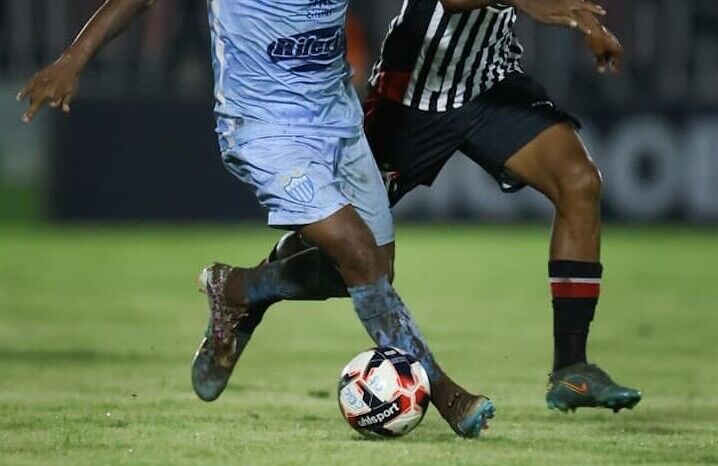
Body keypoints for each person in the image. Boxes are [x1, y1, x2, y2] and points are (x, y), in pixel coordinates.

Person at [18, 0, 497, 438]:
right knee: (358, 254)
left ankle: (241, 289)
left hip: (337, 114)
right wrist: (73, 59)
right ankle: (445, 393)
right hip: (265, 126)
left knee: (372, 269)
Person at [220, 0, 642, 414]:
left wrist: (590, 24)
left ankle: (572, 369)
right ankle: (250, 291)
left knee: (579, 183)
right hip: (414, 90)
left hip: (488, 81)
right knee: (349, 247)